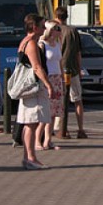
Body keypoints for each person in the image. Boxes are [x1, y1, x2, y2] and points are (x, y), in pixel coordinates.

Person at [17, 14, 55, 170]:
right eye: (42, 25)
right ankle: (31, 157)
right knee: (32, 122)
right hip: (33, 88)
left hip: (28, 88)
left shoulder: (24, 42)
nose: (44, 28)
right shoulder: (31, 43)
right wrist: (48, 84)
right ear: (34, 27)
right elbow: (36, 67)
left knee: (29, 123)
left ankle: (28, 157)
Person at [54, 7, 87, 139]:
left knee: (61, 101)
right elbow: (78, 53)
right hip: (72, 70)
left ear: (56, 16)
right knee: (77, 100)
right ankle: (80, 129)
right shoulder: (73, 31)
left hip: (58, 69)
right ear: (66, 16)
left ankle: (63, 129)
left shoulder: (54, 31)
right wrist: (79, 69)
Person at [35, 21, 63, 151]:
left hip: (57, 78)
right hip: (48, 78)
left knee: (54, 113)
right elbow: (39, 64)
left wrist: (62, 78)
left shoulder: (57, 44)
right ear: (50, 30)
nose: (59, 31)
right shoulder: (42, 44)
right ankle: (37, 141)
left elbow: (60, 62)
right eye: (57, 28)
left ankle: (48, 140)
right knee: (45, 112)